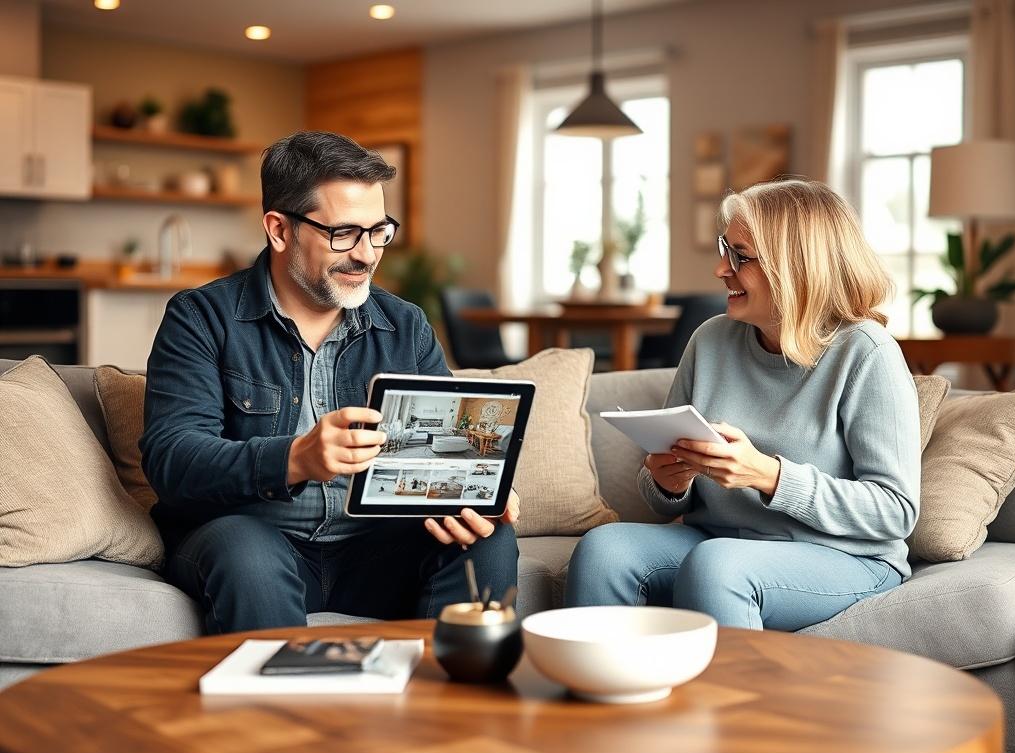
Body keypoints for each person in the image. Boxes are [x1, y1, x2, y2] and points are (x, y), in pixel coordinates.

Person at [141, 131, 519, 634]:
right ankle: (282, 710)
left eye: (378, 231)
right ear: (279, 229)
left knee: (486, 539)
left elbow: (445, 452)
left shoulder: (404, 326)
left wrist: (477, 492)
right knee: (246, 550)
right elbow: (172, 458)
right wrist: (295, 458)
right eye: (343, 234)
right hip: (252, 541)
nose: (366, 254)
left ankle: (450, 708)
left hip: (374, 549)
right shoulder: (201, 318)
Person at [565, 179, 919, 631]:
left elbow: (896, 511)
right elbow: (659, 496)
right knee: (604, 551)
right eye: (724, 249)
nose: (720, 269)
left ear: (797, 267)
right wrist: (670, 482)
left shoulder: (867, 352)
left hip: (844, 556)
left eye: (741, 256)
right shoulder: (710, 340)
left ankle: (729, 704)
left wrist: (768, 476)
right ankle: (603, 697)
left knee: (719, 566)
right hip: (717, 540)